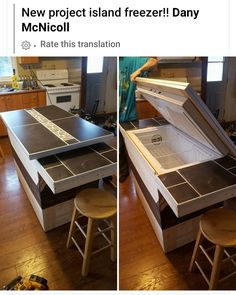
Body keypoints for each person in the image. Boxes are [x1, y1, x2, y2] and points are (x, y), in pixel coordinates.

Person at [119, 57, 160, 182]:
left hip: (128, 117)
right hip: (118, 117)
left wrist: (139, 70)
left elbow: (154, 62)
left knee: (133, 148)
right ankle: (124, 172)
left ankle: (138, 175)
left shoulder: (130, 60)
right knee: (120, 148)